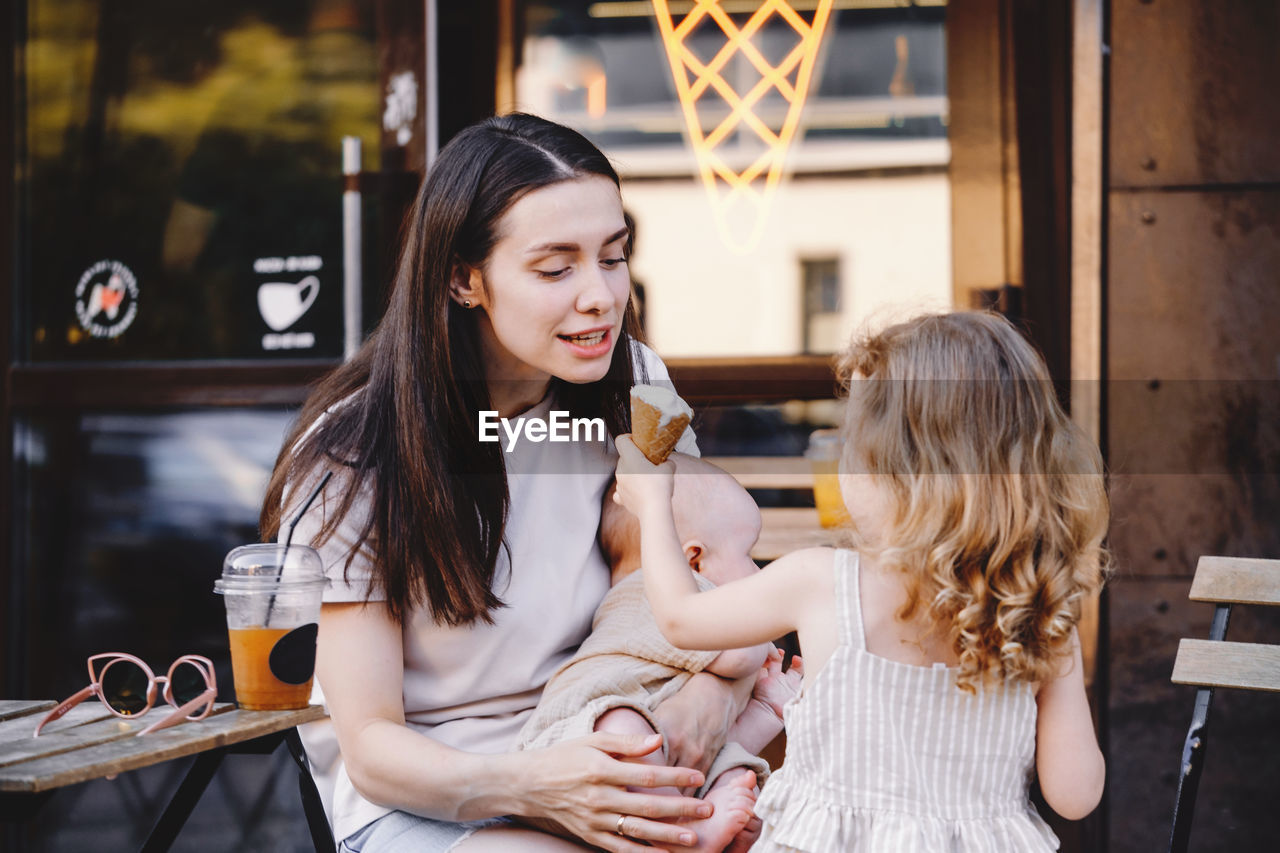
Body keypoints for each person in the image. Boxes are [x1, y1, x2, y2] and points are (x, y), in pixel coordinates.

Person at [260, 113, 760, 853]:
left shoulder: (637, 388)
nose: (599, 296)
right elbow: (370, 744)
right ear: (464, 278)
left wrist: (710, 700)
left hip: (605, 728)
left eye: (614, 257)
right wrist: (549, 788)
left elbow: (705, 593)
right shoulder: (355, 456)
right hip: (440, 797)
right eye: (556, 268)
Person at [614, 311, 1111, 852]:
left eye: (855, 437)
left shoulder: (821, 581)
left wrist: (652, 503)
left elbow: (681, 619)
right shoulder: (1038, 617)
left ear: (900, 469)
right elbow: (1075, 794)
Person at [517, 454, 805, 853]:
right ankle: (683, 831)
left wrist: (768, 707)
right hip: (573, 752)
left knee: (723, 761)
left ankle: (700, 815)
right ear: (693, 560)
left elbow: (709, 734)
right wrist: (768, 628)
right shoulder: (653, 592)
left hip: (649, 762)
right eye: (748, 555)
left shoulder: (689, 624)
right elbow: (740, 654)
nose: (758, 573)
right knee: (623, 727)